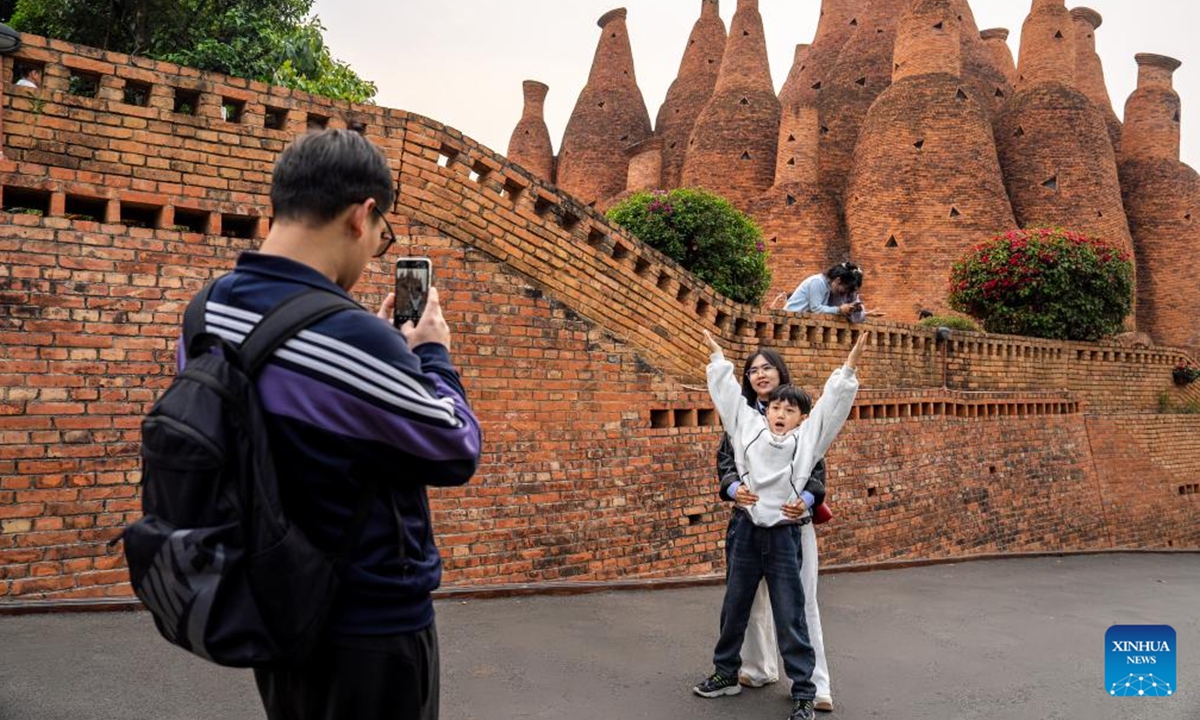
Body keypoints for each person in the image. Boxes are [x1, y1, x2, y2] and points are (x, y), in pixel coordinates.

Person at [185, 129, 482, 720]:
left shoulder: (207, 310)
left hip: (272, 602)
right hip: (369, 626)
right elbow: (456, 447)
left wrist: (378, 358)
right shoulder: (352, 338)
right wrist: (429, 353)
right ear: (360, 215)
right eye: (380, 236)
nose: (374, 251)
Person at [694, 330, 869, 720]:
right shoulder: (745, 424)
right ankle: (729, 672)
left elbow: (830, 410)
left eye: (789, 410)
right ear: (765, 408)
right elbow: (726, 400)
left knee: (793, 613)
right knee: (736, 607)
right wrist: (718, 360)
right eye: (775, 407)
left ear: (801, 416)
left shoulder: (808, 439)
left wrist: (849, 367)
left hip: (788, 533)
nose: (780, 413)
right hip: (747, 529)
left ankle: (807, 690)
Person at [716, 347, 836, 712]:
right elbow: (724, 462)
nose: (760, 374)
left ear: (781, 373)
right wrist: (734, 488)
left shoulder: (798, 415)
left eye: (767, 367)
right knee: (748, 601)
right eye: (753, 370)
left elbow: (816, 470)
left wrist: (806, 499)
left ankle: (816, 686)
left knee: (802, 605)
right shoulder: (740, 414)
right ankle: (758, 668)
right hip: (749, 521)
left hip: (791, 525)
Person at [785, 261, 882, 321]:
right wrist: (839, 310)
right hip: (789, 319)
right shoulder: (817, 282)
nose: (843, 292)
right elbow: (816, 309)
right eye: (845, 288)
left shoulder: (828, 288)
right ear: (838, 280)